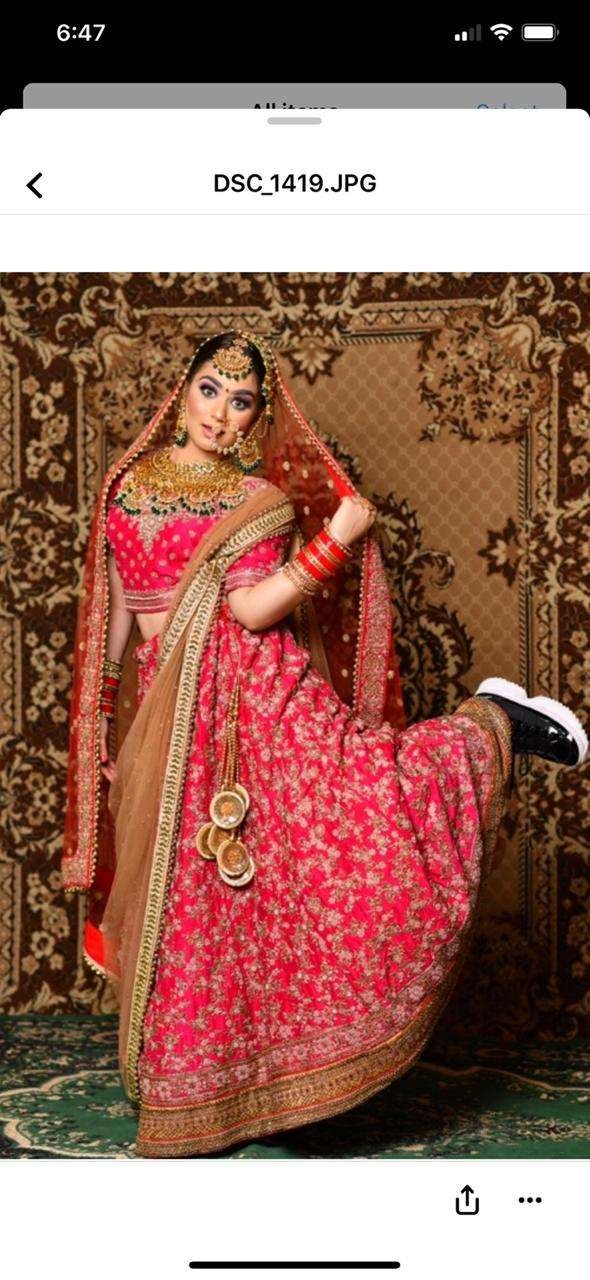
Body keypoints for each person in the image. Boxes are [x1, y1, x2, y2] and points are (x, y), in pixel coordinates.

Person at [61, 330, 588, 1157]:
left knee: (353, 831)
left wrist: (337, 535)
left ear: (257, 418)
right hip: (172, 712)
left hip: (255, 702)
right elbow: (119, 617)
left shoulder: (258, 500)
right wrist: (105, 724)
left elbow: (249, 611)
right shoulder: (124, 487)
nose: (219, 413)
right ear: (183, 389)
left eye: (241, 402)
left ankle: (490, 725)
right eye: (209, 390)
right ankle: (218, 1089)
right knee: (208, 904)